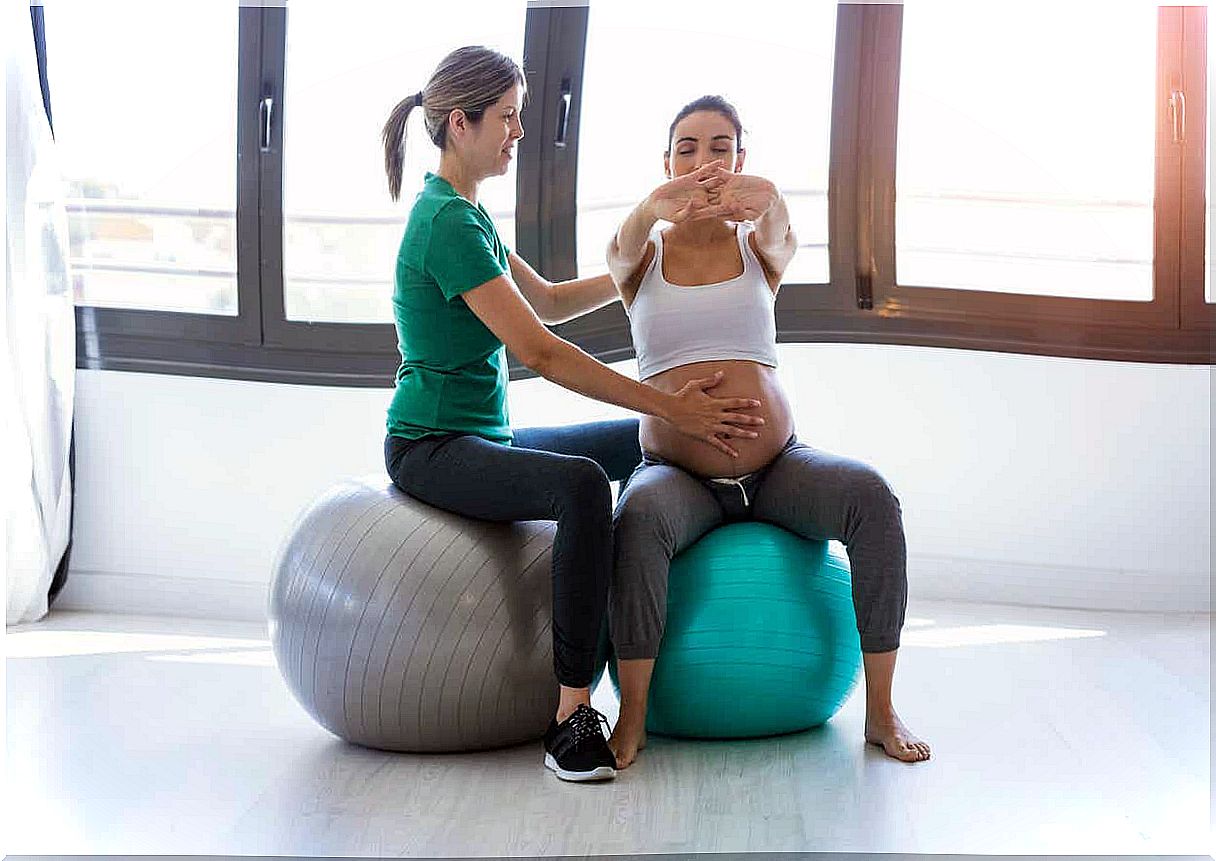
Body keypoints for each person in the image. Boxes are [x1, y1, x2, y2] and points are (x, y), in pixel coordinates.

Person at [379, 49, 766, 783]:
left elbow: (552, 299)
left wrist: (653, 265)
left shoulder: (467, 213)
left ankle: (699, 551)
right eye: (507, 117)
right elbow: (541, 349)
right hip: (430, 444)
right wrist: (668, 403)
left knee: (638, 440)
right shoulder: (444, 224)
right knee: (586, 485)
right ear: (459, 124)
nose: (519, 131)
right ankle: (571, 712)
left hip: (480, 435)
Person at [604, 95, 932, 768]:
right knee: (636, 516)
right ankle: (632, 715)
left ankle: (881, 711)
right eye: (687, 148)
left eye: (720, 147)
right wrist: (648, 208)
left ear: (739, 162)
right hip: (680, 477)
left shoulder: (758, 248)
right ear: (666, 164)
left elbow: (784, 233)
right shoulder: (642, 258)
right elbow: (620, 244)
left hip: (777, 468)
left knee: (872, 497)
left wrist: (771, 198)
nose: (703, 162)